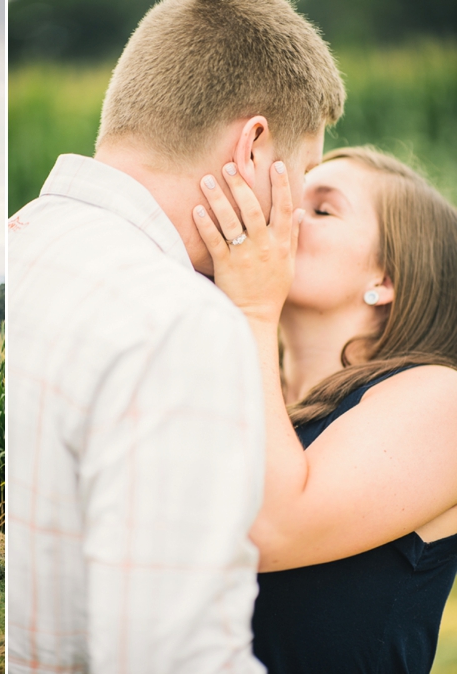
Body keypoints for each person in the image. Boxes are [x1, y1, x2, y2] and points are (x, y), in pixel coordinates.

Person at [7, 0, 344, 671]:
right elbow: (171, 656)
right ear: (251, 149)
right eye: (301, 176)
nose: (297, 222)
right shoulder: (178, 323)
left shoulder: (17, 247)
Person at [191, 146, 457, 673]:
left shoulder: (441, 400)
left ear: (384, 279)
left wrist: (252, 307)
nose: (283, 213)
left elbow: (268, 528)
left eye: (322, 209)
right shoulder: (232, 383)